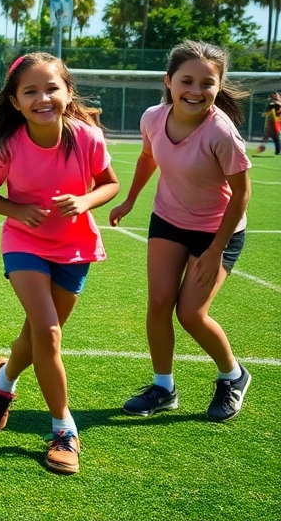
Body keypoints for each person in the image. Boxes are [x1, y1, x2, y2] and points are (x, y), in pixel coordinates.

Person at [0, 53, 120, 474]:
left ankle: (4, 379)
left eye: (51, 88)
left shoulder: (87, 138)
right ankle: (64, 430)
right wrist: (16, 211)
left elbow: (110, 184)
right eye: (31, 92)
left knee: (38, 334)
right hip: (23, 244)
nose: (43, 98)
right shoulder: (9, 146)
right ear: (16, 102)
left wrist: (86, 200)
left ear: (68, 91)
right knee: (50, 332)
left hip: (75, 248)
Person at [110, 41, 254, 423]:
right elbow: (147, 157)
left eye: (207, 83)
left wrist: (215, 250)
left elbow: (241, 195)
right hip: (168, 219)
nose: (196, 90)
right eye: (186, 80)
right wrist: (129, 201)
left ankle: (233, 376)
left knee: (191, 313)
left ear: (218, 87)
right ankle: (163, 388)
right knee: (159, 303)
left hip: (216, 231)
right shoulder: (153, 118)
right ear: (169, 81)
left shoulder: (221, 133)